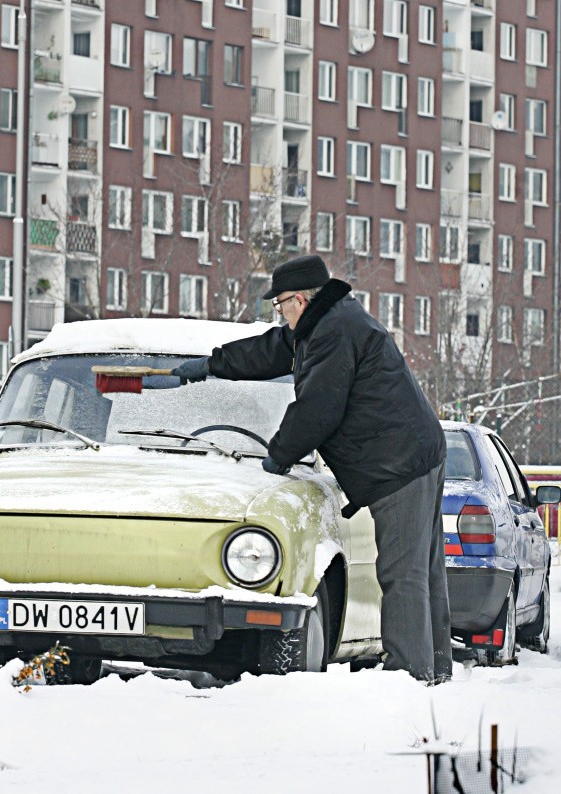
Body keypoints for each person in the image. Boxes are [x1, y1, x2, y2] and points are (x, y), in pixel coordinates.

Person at [172, 254, 452, 684]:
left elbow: (318, 410)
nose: (279, 312)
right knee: (421, 570)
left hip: (398, 464)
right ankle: (433, 670)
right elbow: (269, 350)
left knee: (403, 574)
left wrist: (278, 455)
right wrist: (212, 365)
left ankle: (412, 678)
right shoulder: (324, 325)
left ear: (300, 300)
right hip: (414, 453)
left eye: (280, 303)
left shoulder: (334, 333)